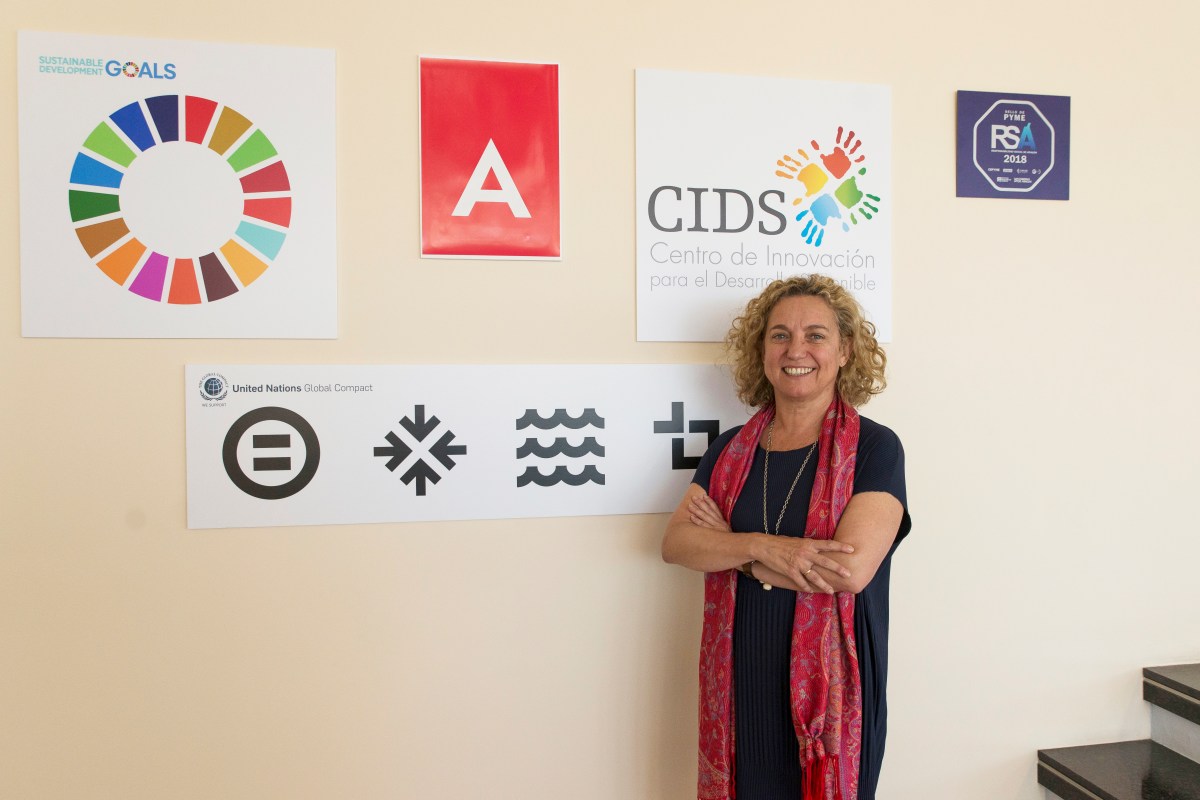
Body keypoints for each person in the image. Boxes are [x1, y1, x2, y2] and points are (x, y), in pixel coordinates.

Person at [662, 274, 911, 800]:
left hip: (833, 695)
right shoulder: (730, 451)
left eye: (815, 335)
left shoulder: (875, 449)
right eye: (780, 335)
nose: (796, 350)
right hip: (740, 683)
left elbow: (847, 572)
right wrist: (762, 547)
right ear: (762, 351)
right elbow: (678, 543)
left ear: (845, 350)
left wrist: (731, 552)